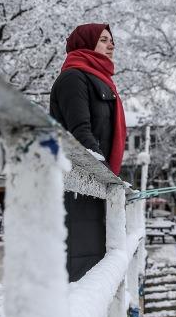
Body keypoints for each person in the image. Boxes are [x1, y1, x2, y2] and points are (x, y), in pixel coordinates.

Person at [49, 23, 126, 281]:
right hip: (79, 185)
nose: (111, 45)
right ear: (85, 43)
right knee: (82, 264)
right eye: (104, 39)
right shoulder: (74, 78)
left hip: (97, 185)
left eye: (111, 40)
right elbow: (81, 133)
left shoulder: (102, 81)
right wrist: (105, 178)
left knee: (101, 257)